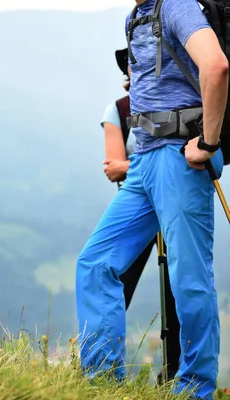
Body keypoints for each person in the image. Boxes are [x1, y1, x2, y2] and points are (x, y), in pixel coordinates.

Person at [75, 0, 228, 399]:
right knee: (96, 263)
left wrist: (209, 144)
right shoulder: (137, 16)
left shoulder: (177, 7)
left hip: (179, 157)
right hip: (143, 161)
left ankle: (196, 391)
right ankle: (102, 384)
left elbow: (216, 66)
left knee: (189, 278)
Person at [99, 46, 181, 384]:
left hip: (169, 204)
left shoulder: (172, 102)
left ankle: (174, 375)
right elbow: (112, 170)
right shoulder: (118, 109)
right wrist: (155, 167)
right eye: (133, 64)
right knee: (118, 281)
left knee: (178, 288)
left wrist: (131, 166)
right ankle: (101, 365)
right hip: (138, 209)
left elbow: (122, 166)